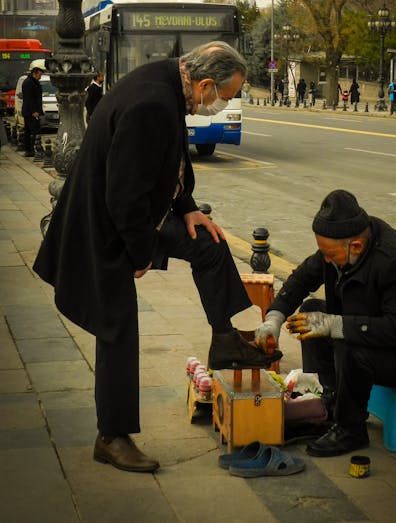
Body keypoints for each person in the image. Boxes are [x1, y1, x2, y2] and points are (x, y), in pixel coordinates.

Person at [33, 41, 280, 474]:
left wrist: (188, 209)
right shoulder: (153, 103)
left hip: (134, 213)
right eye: (225, 95)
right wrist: (140, 255)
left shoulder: (169, 83)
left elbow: (163, 166)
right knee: (118, 328)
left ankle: (224, 340)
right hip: (102, 226)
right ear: (204, 83)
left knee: (210, 243)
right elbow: (124, 196)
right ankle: (111, 436)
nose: (223, 104)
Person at [254, 189, 396, 457]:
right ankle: (334, 402)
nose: (325, 259)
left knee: (347, 341)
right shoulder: (340, 245)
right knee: (311, 312)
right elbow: (302, 278)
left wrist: (333, 325)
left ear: (356, 246)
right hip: (376, 337)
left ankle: (351, 428)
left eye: (329, 254)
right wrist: (273, 320)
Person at [21, 59, 45, 156]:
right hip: (30, 112)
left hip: (33, 111)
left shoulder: (34, 82)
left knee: (31, 130)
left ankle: (30, 149)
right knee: (32, 131)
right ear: (35, 73)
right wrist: (34, 111)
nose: (41, 76)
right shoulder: (28, 83)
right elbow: (29, 99)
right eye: (40, 74)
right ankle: (30, 149)